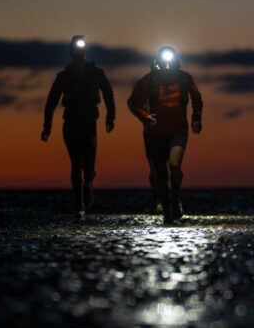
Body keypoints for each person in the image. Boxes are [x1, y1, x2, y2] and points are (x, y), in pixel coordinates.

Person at [42, 35, 115, 218]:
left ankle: (88, 185)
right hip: (71, 124)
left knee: (89, 166)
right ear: (71, 52)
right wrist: (47, 126)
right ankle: (79, 203)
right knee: (76, 164)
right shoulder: (64, 76)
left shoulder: (96, 73)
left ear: (84, 51)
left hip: (89, 124)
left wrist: (110, 117)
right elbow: (51, 101)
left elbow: (108, 94)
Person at [129, 46, 203, 224]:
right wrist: (145, 117)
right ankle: (167, 209)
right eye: (164, 60)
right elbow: (134, 102)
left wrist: (196, 119)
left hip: (178, 130)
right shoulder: (149, 80)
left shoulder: (185, 78)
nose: (167, 64)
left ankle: (175, 198)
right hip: (155, 133)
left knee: (175, 164)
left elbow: (197, 98)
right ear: (158, 61)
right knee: (160, 173)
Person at [128, 58, 163, 214]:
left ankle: (171, 198)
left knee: (171, 165)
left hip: (171, 129)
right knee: (155, 167)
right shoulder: (146, 82)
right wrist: (143, 117)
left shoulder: (175, 81)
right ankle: (158, 200)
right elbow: (132, 103)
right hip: (151, 131)